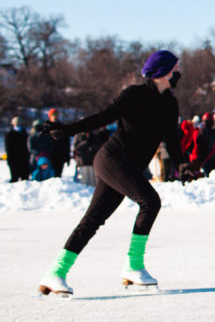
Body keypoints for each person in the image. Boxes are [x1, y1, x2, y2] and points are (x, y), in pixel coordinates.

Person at [37, 50, 198, 297]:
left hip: (128, 166)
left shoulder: (169, 103)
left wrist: (182, 164)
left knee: (93, 219)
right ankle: (133, 266)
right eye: (174, 68)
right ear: (163, 72)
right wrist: (68, 129)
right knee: (150, 201)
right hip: (112, 159)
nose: (178, 73)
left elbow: (172, 140)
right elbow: (103, 117)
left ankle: (55, 273)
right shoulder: (134, 94)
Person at [45, 109, 71, 178]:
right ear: (50, 116)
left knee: (58, 174)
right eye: (53, 115)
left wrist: (67, 156)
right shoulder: (46, 127)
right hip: (49, 155)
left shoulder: (62, 127)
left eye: (57, 115)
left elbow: (67, 143)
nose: (55, 116)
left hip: (60, 154)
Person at [5, 117, 31, 182]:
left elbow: (28, 146)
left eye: (19, 122)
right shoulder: (9, 135)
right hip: (13, 159)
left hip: (24, 158)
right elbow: (8, 148)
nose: (18, 124)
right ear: (13, 123)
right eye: (16, 123)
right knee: (14, 178)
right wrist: (10, 159)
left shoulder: (25, 134)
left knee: (25, 178)